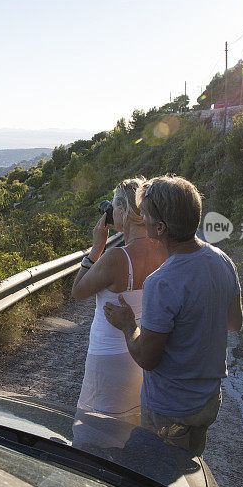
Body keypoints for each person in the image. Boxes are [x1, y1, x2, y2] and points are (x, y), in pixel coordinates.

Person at [104, 175, 243, 456]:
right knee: (188, 469)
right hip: (207, 401)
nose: (141, 215)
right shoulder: (222, 259)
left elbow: (147, 359)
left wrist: (128, 323)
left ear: (160, 228)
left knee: (158, 474)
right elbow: (234, 322)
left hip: (170, 409)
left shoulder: (162, 281)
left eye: (146, 213)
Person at [71, 178, 168, 447]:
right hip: (143, 351)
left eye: (115, 207)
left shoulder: (116, 258)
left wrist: (96, 248)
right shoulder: (164, 250)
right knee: (128, 437)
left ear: (124, 212)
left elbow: (78, 291)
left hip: (108, 358)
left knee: (94, 438)